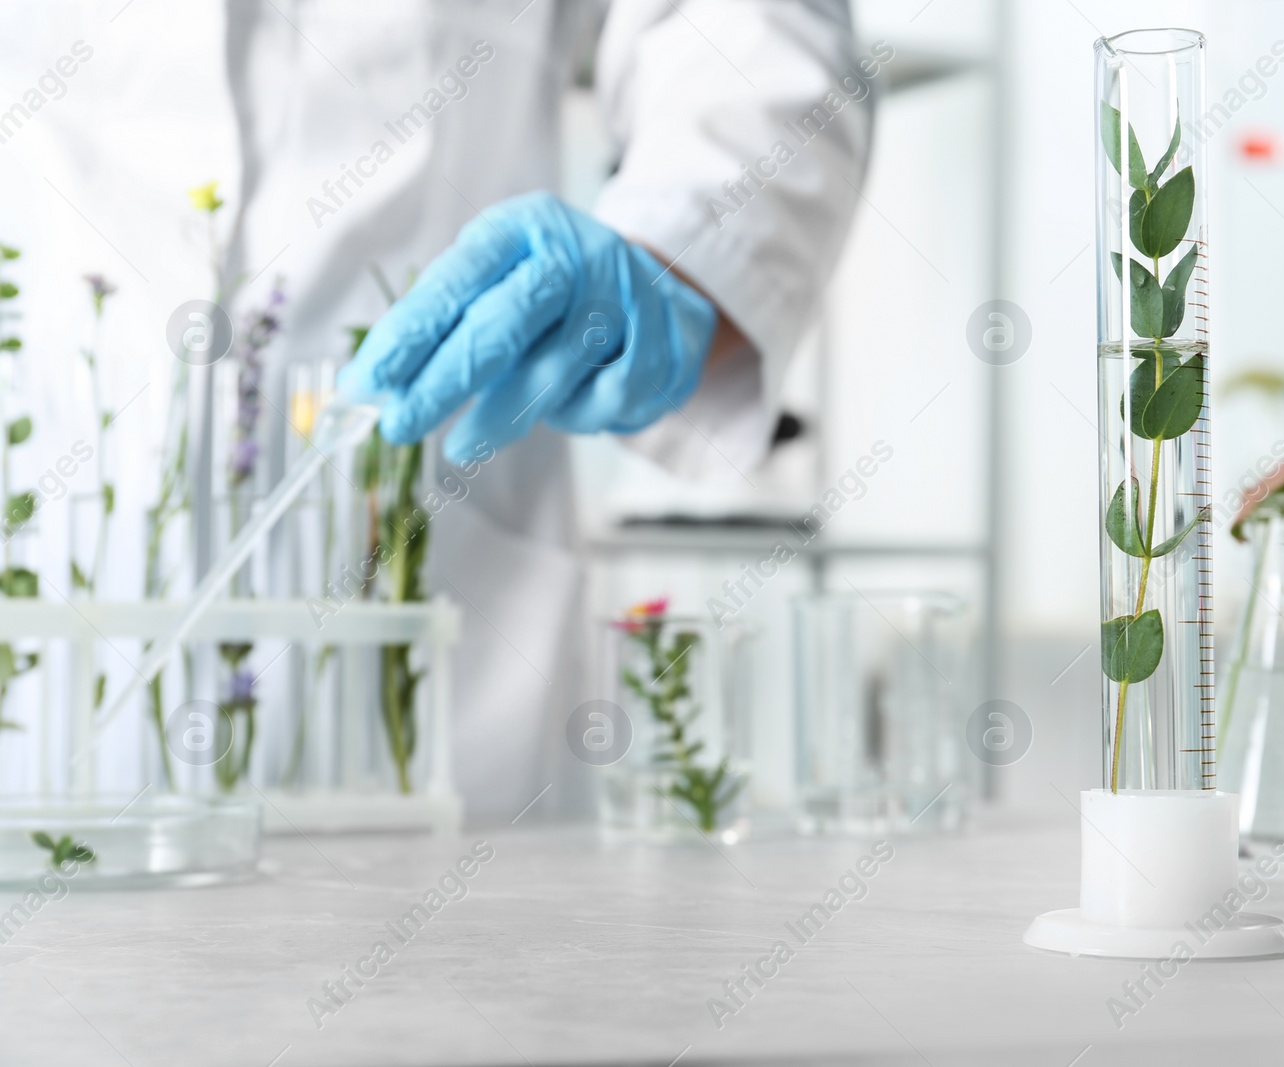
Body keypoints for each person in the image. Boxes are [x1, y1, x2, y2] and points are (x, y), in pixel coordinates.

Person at [3, 1, 872, 819]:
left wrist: (677, 253)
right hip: (53, 550)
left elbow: (745, 36)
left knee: (450, 954)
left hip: (453, 581)